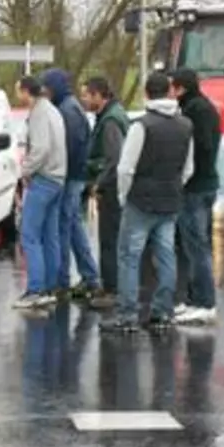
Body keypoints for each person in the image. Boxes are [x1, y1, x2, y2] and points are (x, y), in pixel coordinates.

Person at [110, 72, 194, 331]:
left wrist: (124, 196)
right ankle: (162, 312)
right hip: (170, 201)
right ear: (170, 92)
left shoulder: (141, 126)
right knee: (166, 256)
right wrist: (174, 187)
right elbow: (188, 168)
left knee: (129, 257)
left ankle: (127, 315)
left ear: (146, 93)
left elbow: (126, 168)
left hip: (141, 202)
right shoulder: (185, 125)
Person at [41, 68, 100, 299]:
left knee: (63, 228)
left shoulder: (67, 111)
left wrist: (59, 173)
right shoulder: (70, 107)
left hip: (70, 177)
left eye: (47, 88)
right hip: (74, 176)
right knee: (74, 227)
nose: (44, 93)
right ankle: (89, 276)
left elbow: (72, 147)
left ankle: (62, 280)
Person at [170, 68, 221, 323]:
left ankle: (204, 302)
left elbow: (198, 149)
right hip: (206, 184)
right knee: (197, 245)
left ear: (179, 88)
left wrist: (182, 178)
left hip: (195, 188)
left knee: (196, 246)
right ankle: (193, 298)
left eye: (172, 87)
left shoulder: (194, 111)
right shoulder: (204, 107)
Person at [13, 76, 67, 309]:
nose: (17, 96)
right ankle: (51, 286)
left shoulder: (38, 114)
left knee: (29, 235)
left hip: (43, 179)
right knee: (50, 235)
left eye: (18, 91)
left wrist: (25, 171)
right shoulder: (53, 110)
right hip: (58, 179)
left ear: (26, 92)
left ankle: (35, 290)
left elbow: (41, 148)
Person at [82, 76, 130, 309]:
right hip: (113, 187)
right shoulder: (112, 115)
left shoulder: (110, 121)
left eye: (86, 95)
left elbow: (114, 160)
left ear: (99, 95)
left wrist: (98, 183)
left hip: (111, 190)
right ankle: (111, 285)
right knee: (111, 239)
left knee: (109, 240)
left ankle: (112, 290)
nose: (84, 100)